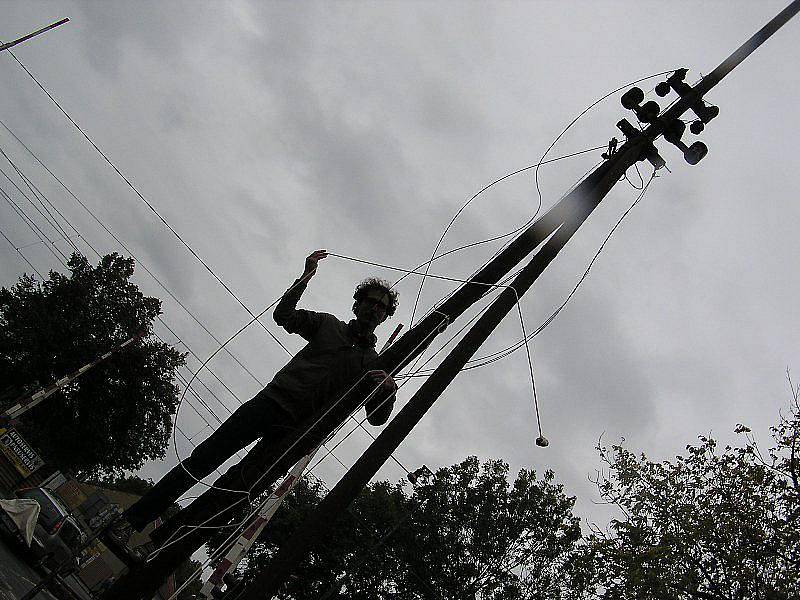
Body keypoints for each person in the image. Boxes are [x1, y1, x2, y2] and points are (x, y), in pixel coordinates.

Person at [108, 250, 398, 546]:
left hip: (291, 433)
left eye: (382, 307)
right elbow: (283, 316)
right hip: (270, 403)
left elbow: (376, 418)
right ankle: (130, 522)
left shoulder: (372, 364)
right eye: (371, 301)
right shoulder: (328, 324)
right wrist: (306, 277)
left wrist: (389, 392)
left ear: (386, 317)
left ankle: (161, 545)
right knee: (204, 459)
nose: (375, 308)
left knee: (233, 490)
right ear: (358, 304)